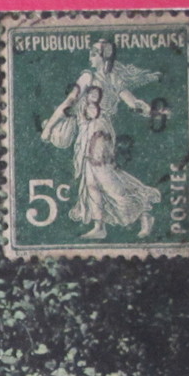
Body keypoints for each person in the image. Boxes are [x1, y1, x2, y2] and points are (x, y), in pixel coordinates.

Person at [40, 39, 162, 240]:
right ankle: (99, 226)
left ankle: (143, 211)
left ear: (104, 56)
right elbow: (134, 104)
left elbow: (70, 101)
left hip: (98, 134)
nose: (90, 56)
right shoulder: (110, 79)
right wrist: (147, 110)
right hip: (92, 131)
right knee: (91, 180)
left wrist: (49, 128)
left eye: (94, 53)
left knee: (105, 177)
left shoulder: (91, 78)